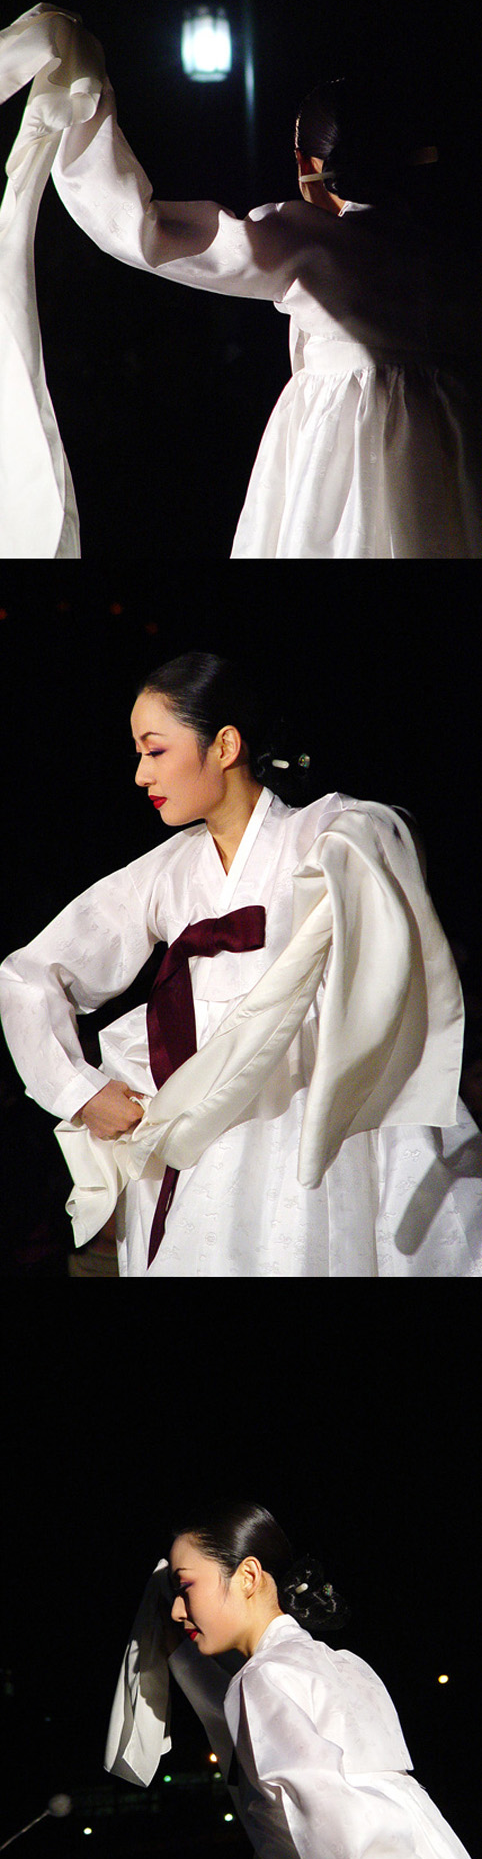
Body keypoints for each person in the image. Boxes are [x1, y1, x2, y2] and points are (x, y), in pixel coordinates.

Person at [1, 518, 480, 1296]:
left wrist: (362, 842)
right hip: (203, 1134)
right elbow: (28, 976)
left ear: (223, 746)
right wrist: (80, 1092)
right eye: (138, 753)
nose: (140, 774)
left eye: (156, 750)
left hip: (313, 1129)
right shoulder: (165, 873)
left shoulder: (326, 832)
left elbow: (387, 877)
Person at [1, 0, 480, 569]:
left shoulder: (307, 242)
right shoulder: (452, 247)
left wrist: (86, 103)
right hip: (458, 441)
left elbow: (145, 234)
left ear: (307, 164)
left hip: (347, 445)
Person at [106, 1503, 482, 1859]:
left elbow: (323, 1810)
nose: (178, 1610)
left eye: (185, 1587)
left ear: (247, 1575)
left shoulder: (261, 1679)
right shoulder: (347, 1666)